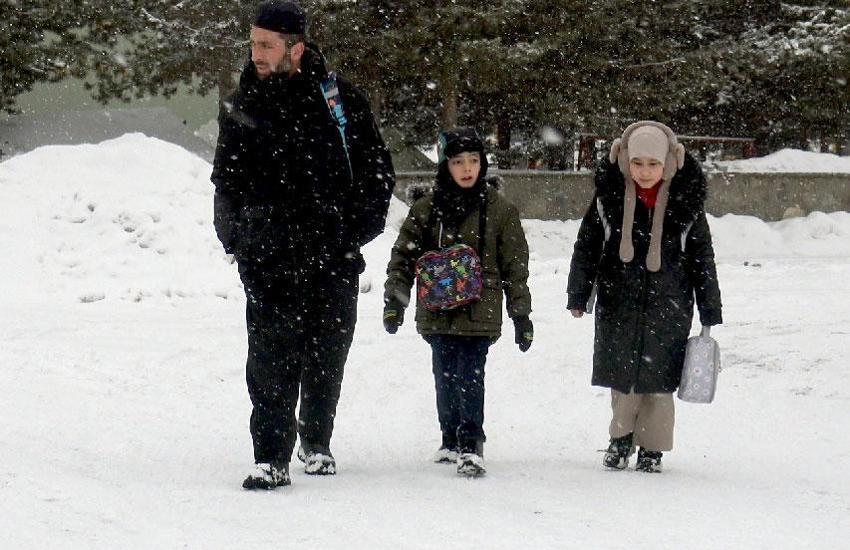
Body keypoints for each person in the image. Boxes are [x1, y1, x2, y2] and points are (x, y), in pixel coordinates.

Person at [211, 0, 395, 490]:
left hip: (332, 258)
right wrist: (237, 237)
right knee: (270, 357)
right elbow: (224, 182)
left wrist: (349, 232)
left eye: (266, 44)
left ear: (296, 47)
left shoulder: (340, 100)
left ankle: (316, 440)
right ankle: (271, 456)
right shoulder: (242, 103)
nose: (256, 53)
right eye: (253, 43)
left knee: (326, 354)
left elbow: (378, 173)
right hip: (268, 258)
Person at [566, 121, 722, 473]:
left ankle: (652, 446)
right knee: (623, 378)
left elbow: (702, 256)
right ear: (625, 161)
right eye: (638, 163)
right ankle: (620, 439)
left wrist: (709, 306)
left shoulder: (687, 201)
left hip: (670, 303)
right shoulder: (609, 197)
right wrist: (579, 292)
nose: (645, 172)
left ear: (668, 162)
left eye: (653, 164)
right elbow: (587, 245)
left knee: (659, 381)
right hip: (618, 299)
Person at [383, 127, 533, 477]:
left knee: (470, 374)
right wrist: (396, 301)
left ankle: (471, 442)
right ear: (445, 166)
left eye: (474, 161)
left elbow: (516, 265)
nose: (467, 168)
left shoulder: (500, 210)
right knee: (444, 374)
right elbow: (403, 258)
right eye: (458, 162)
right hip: (438, 311)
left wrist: (521, 315)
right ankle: (449, 438)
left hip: (481, 311)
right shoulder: (426, 209)